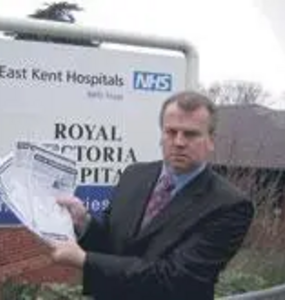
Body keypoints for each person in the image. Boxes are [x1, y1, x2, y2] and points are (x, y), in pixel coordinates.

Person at [50, 90, 255, 300]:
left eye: (191, 134)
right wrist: (84, 223)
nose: (179, 142)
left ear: (211, 140)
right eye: (171, 132)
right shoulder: (134, 175)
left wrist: (84, 260)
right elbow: (112, 247)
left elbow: (176, 278)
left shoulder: (230, 205)